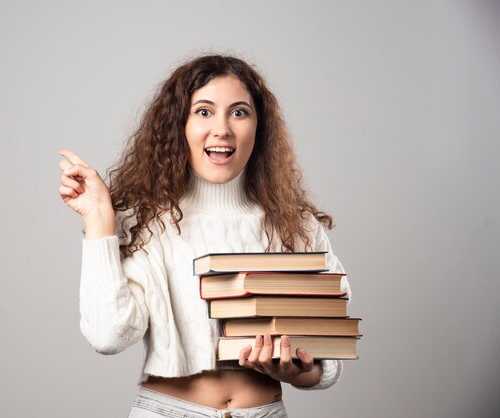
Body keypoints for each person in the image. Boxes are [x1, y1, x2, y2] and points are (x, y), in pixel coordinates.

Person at [58, 54, 350, 418]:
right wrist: (100, 220)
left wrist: (301, 370)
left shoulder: (297, 225)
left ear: (259, 127)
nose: (222, 129)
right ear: (179, 124)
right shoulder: (145, 220)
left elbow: (330, 355)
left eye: (239, 112)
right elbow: (108, 337)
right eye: (204, 111)